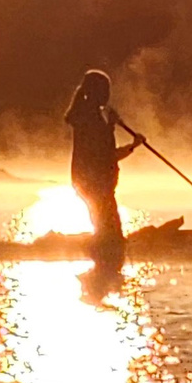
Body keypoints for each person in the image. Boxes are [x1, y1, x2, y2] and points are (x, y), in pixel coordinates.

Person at [63, 69, 139, 273]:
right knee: (110, 231)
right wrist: (132, 145)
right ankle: (105, 266)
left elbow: (106, 152)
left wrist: (122, 135)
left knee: (107, 227)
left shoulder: (89, 116)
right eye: (105, 91)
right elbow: (106, 154)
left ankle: (104, 264)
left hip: (90, 183)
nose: (108, 96)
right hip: (95, 184)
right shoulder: (91, 119)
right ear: (97, 92)